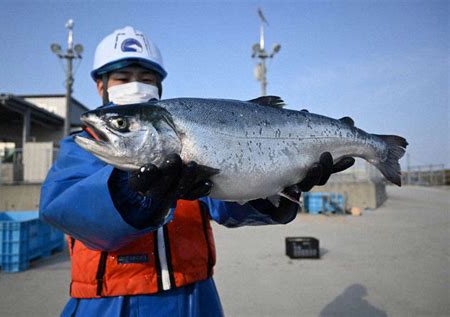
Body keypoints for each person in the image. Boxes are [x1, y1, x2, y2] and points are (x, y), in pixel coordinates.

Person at [40, 26, 354, 317]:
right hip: (109, 304)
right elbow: (62, 209)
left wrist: (276, 192)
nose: (136, 84)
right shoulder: (81, 146)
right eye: (123, 77)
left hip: (196, 298)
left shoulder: (184, 137)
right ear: (100, 85)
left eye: (146, 78)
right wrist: (129, 189)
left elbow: (225, 201)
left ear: (160, 86)